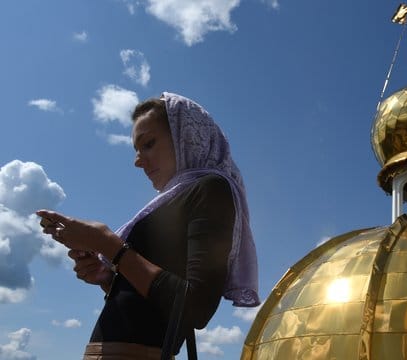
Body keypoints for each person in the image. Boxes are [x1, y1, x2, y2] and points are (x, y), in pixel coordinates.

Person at [37, 92, 259, 359]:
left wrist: (107, 244)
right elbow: (152, 305)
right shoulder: (171, 201)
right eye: (136, 150)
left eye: (149, 144)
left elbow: (196, 308)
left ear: (185, 138)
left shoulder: (211, 189)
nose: (138, 160)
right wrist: (108, 279)